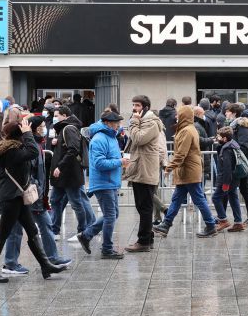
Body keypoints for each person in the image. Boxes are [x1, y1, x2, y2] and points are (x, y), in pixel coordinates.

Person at [0, 118, 68, 282]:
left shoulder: (13, 148)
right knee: (3, 234)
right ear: (20, 134)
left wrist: (26, 134)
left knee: (32, 231)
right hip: (11, 198)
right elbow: (33, 152)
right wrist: (28, 132)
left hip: (17, 197)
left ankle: (45, 265)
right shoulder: (11, 151)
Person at [152, 106, 219, 237]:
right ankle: (166, 225)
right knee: (177, 198)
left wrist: (168, 167)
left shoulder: (187, 130)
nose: (176, 116)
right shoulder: (187, 129)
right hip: (187, 170)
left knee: (198, 198)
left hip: (189, 170)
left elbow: (181, 154)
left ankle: (211, 225)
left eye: (179, 114)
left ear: (185, 116)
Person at [74, 111, 129, 258]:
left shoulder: (111, 137)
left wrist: (120, 161)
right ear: (107, 123)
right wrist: (119, 162)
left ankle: (86, 235)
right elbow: (98, 163)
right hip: (103, 183)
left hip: (110, 182)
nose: (119, 125)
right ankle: (107, 249)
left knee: (113, 214)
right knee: (110, 216)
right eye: (116, 123)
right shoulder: (99, 139)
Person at [122, 95, 165, 252]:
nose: (134, 108)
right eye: (133, 105)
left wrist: (133, 122)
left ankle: (143, 241)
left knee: (145, 207)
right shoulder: (142, 122)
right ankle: (149, 238)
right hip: (139, 168)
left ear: (145, 107)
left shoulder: (151, 123)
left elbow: (139, 139)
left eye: (138, 105)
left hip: (145, 170)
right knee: (142, 206)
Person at [48, 106, 95, 239]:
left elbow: (73, 149)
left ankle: (82, 231)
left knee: (76, 202)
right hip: (63, 174)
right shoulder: (65, 128)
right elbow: (65, 149)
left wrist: (60, 166)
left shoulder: (68, 128)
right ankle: (54, 230)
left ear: (64, 115)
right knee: (56, 200)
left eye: (57, 115)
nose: (55, 118)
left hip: (69, 173)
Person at [225, 103, 248, 226]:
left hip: (241, 163)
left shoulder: (241, 126)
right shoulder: (234, 125)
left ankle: (223, 218)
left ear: (234, 113)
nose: (225, 114)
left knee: (229, 188)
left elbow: (244, 145)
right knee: (243, 189)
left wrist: (232, 152)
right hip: (239, 162)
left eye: (228, 112)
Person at [211, 126, 246, 232]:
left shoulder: (226, 149)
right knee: (233, 197)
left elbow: (227, 168)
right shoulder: (232, 144)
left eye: (219, 136)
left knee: (216, 198)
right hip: (234, 178)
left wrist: (225, 184)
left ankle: (223, 220)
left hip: (227, 179)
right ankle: (238, 222)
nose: (217, 138)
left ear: (225, 138)